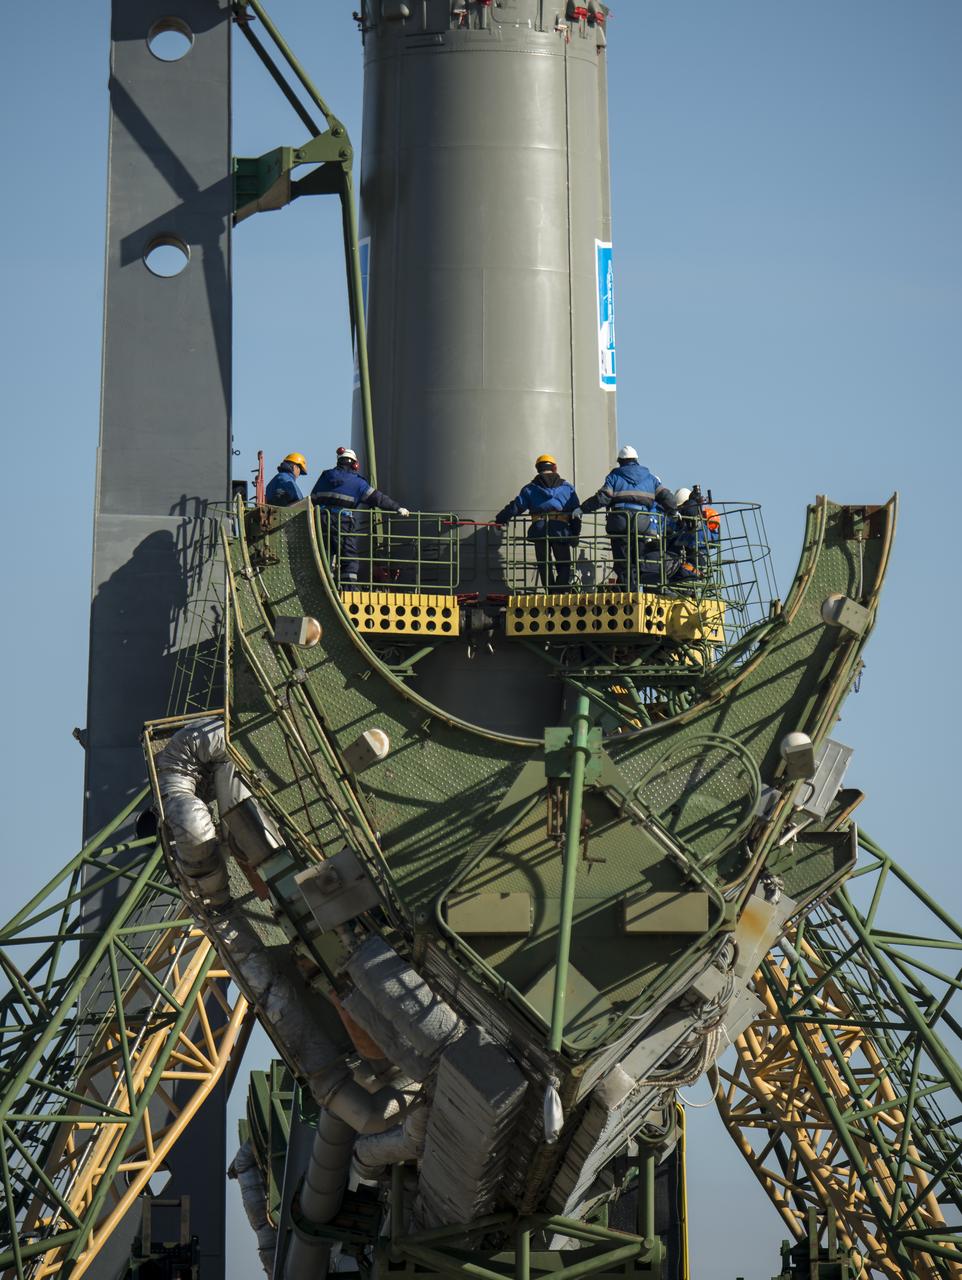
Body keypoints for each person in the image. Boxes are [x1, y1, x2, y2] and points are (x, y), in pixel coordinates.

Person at [579, 445, 677, 590]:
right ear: (636, 460)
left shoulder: (614, 477)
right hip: (642, 524)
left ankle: (628, 591)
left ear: (620, 461)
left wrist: (582, 508)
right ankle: (634, 589)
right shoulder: (650, 478)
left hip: (620, 524)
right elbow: (667, 497)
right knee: (637, 560)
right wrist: (673, 510)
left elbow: (602, 498)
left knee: (622, 561)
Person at [310, 446, 410, 584]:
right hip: (342, 523)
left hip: (321, 521)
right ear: (355, 464)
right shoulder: (358, 483)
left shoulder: (325, 476)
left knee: (325, 554)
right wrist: (397, 508)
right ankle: (349, 587)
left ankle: (324, 585)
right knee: (349, 558)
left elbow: (313, 499)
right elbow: (379, 499)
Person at [494, 455, 581, 590]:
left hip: (539, 529)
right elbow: (576, 512)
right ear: (554, 468)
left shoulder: (530, 489)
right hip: (560, 530)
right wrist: (575, 533)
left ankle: (550, 592)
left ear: (538, 469)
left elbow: (516, 507)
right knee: (564, 564)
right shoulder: (567, 488)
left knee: (544, 564)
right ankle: (559, 592)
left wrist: (501, 519)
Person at [666, 486, 721, 581]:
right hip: (694, 567)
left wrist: (691, 504)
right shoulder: (698, 526)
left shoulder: (694, 527)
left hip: (690, 569)